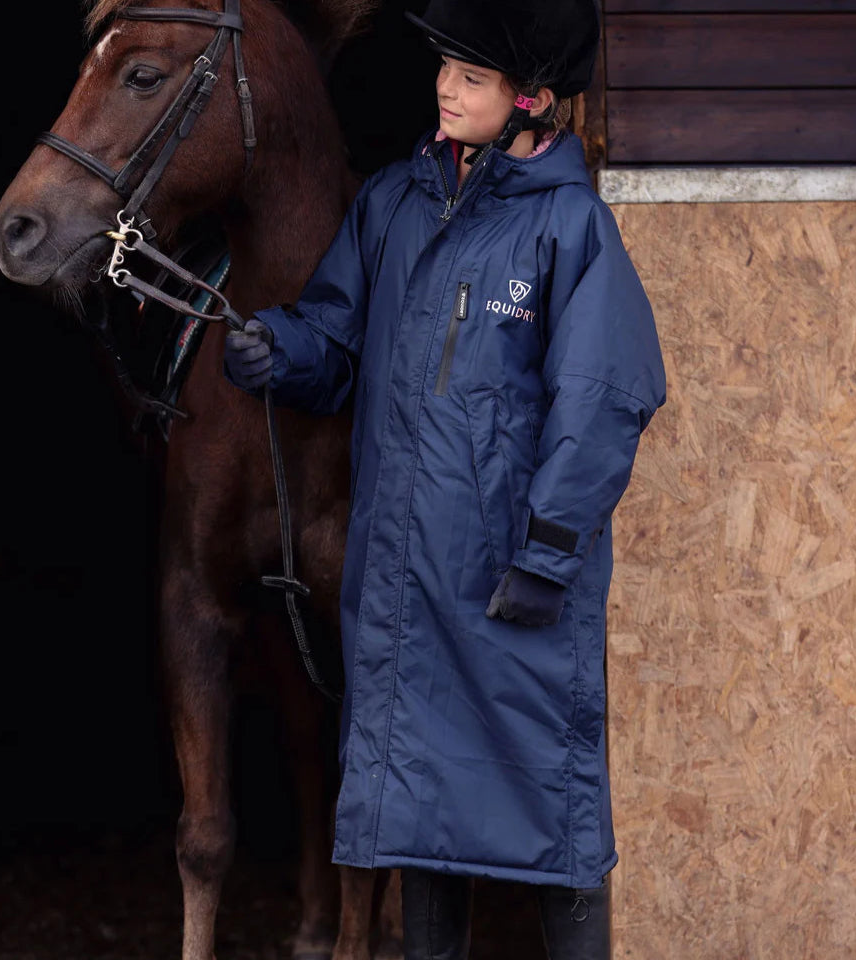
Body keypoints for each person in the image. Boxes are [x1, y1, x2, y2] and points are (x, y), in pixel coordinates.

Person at [224, 1, 665, 956]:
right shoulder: (392, 203)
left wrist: (547, 554)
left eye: (471, 78)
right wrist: (280, 348)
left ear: (531, 102)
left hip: (514, 590)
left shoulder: (571, 229)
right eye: (444, 69)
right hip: (410, 590)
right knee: (422, 822)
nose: (444, 89)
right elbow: (335, 331)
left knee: (553, 823)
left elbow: (604, 398)